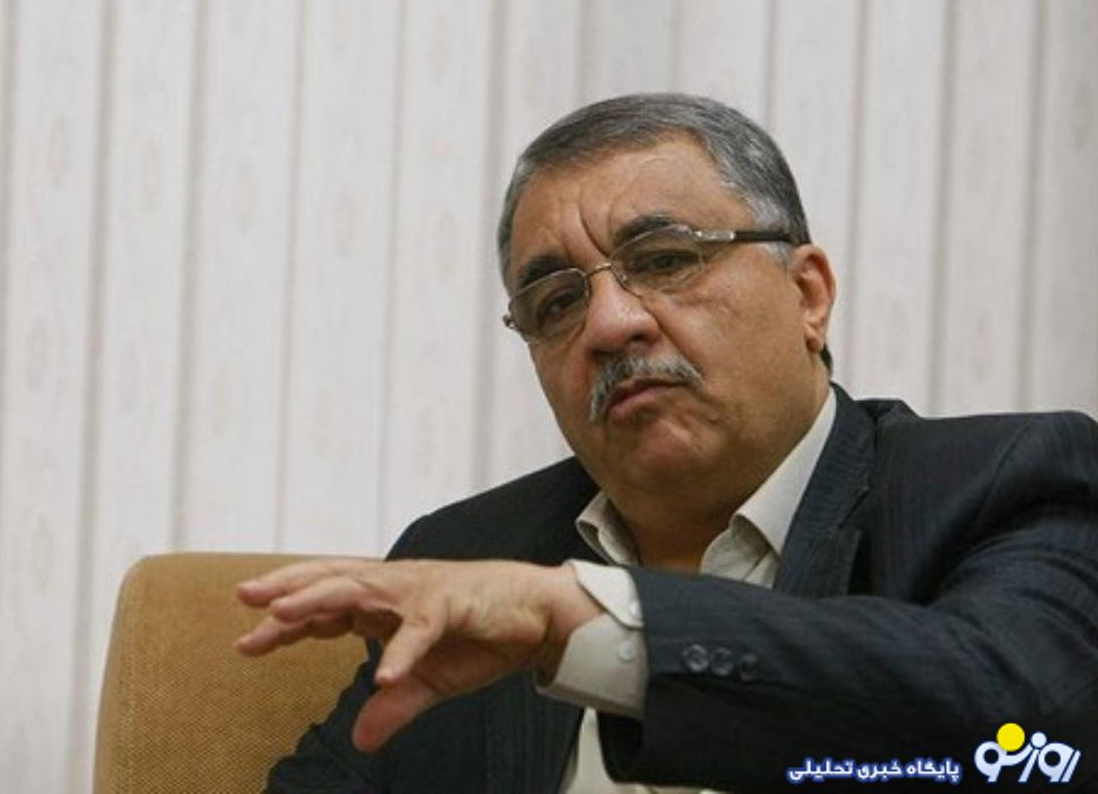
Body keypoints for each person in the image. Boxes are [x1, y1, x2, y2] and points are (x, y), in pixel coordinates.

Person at [234, 93, 1098, 793]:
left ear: (808, 294)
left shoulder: (1000, 483)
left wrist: (580, 626)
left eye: (665, 259)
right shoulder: (469, 552)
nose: (610, 324)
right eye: (557, 302)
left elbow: (1027, 736)